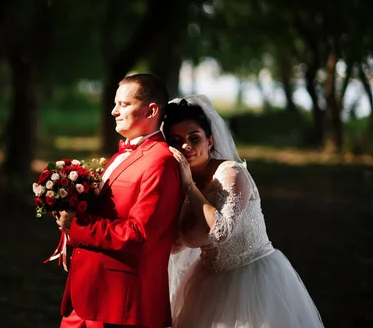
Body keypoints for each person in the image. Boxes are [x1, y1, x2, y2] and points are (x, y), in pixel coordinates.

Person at [163, 94, 324, 328]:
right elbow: (177, 245)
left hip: (254, 280)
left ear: (210, 140)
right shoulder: (180, 182)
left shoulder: (231, 173)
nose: (185, 146)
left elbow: (221, 231)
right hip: (207, 284)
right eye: (176, 140)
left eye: (194, 138)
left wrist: (188, 185)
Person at [55, 73, 182, 328]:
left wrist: (77, 225)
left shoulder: (161, 162)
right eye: (115, 104)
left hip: (118, 303)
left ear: (151, 111)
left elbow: (138, 234)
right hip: (87, 295)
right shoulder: (119, 155)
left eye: (123, 104)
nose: (114, 111)